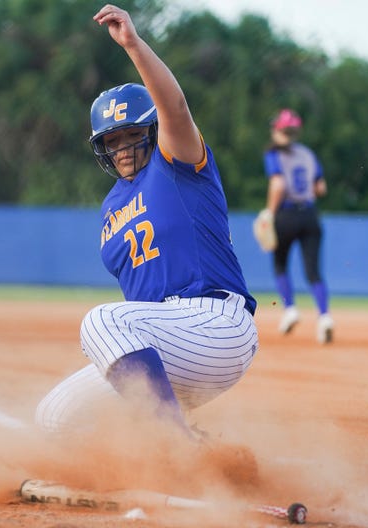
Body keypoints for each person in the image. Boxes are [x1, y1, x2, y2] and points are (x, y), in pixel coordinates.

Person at [35, 4, 258, 440]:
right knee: (52, 419)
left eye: (131, 134)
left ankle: (174, 442)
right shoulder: (112, 206)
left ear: (152, 131)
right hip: (162, 348)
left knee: (101, 321)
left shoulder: (177, 165)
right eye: (110, 140)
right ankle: (193, 453)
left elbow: (174, 106)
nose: (121, 147)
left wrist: (133, 46)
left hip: (215, 326)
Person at [261, 109, 334, 344]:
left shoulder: (273, 154)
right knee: (313, 270)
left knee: (280, 263)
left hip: (286, 214)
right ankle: (324, 317)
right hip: (310, 214)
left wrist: (269, 213)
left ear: (277, 131)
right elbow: (320, 188)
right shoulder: (307, 153)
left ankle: (290, 308)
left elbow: (278, 184)